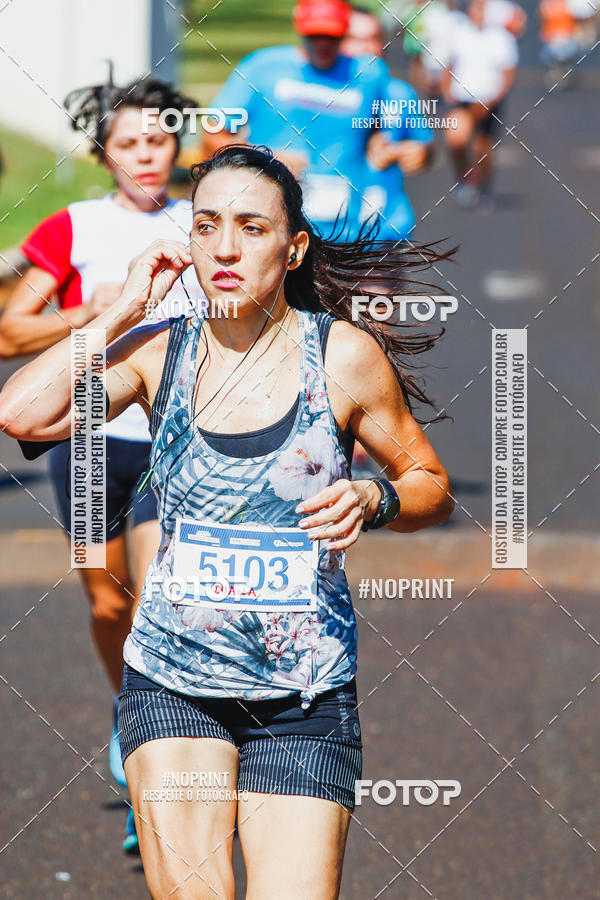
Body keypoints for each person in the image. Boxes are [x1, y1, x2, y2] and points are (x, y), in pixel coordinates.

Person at [0, 144, 455, 898]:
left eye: (251, 226)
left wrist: (378, 500)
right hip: (173, 681)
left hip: (303, 693)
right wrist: (119, 310)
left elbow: (430, 483)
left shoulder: (342, 358)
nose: (225, 247)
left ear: (294, 246)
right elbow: (22, 412)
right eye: (206, 226)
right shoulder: (157, 353)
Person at [0, 76, 203, 853]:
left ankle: (154, 766)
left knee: (154, 605)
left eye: (159, 141)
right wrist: (99, 305)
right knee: (111, 606)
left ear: (176, 144)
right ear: (104, 153)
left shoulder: (201, 221)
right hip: (87, 446)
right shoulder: (73, 228)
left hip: (169, 446)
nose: (147, 156)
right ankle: (128, 714)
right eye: (129, 144)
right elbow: (13, 333)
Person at [202, 0, 390, 240]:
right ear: (299, 28)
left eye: (331, 36)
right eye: (315, 34)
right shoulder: (262, 67)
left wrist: (388, 143)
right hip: (272, 225)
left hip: (347, 230)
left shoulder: (370, 74)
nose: (323, 43)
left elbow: (406, 132)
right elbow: (212, 135)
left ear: (345, 32)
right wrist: (265, 158)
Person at [340, 5, 435, 243]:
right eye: (354, 39)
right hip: (327, 230)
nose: (365, 48)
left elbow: (425, 147)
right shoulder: (316, 92)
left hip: (385, 229)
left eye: (373, 39)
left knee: (378, 282)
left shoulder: (400, 94)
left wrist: (418, 154)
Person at [441, 0, 519, 208]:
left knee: (482, 148)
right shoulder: (459, 33)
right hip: (462, 99)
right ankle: (464, 177)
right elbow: (449, 64)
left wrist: (494, 98)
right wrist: (447, 89)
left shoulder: (500, 38)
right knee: (455, 138)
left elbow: (508, 72)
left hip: (489, 101)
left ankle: (484, 187)